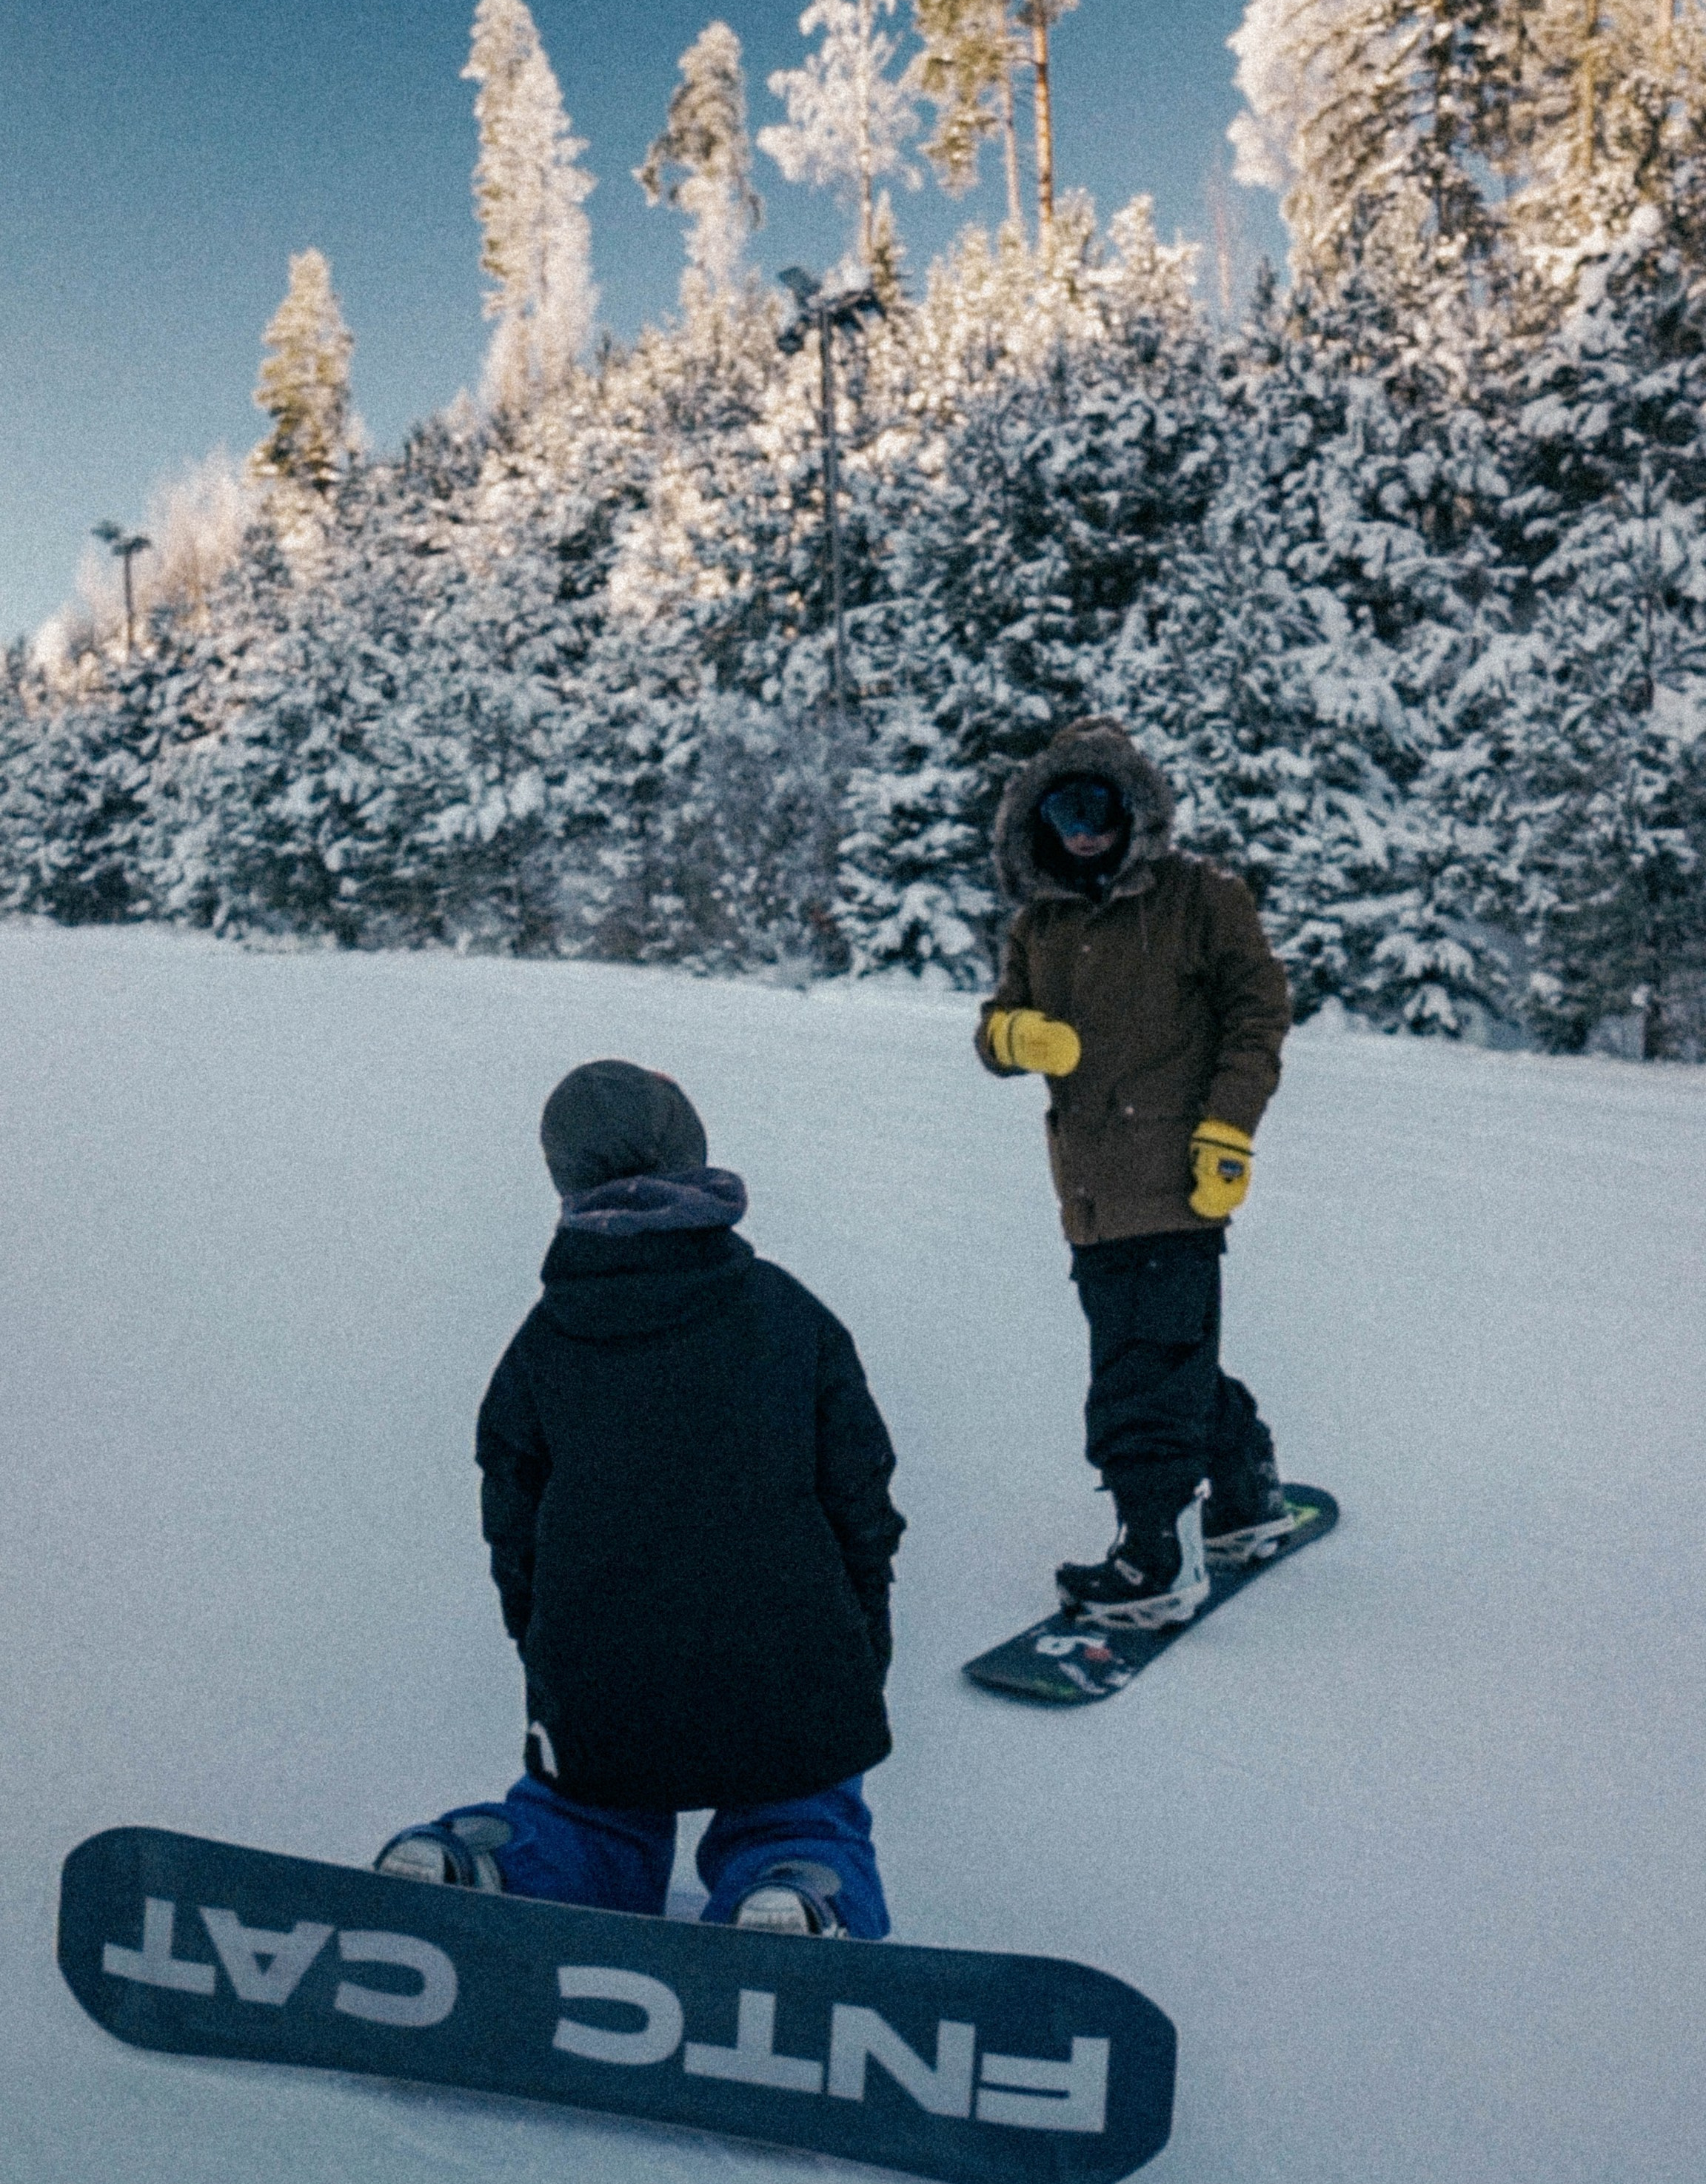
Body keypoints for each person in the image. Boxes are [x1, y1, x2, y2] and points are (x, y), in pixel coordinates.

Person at [376, 1059, 904, 1937]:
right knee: (800, 1810)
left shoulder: (545, 1341)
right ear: (695, 1159)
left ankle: (491, 1863)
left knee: (590, 1815)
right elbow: (862, 1494)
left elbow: (513, 1516)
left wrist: (541, 1644)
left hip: (601, 1657)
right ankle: (798, 1895)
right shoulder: (786, 1312)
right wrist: (860, 1640)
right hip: (792, 1651)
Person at [977, 718, 1293, 1629]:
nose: (1082, 825)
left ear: (1133, 806)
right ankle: (1245, 1490)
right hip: (1087, 1189)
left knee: (1137, 1374)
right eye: (1062, 807)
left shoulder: (1201, 899)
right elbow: (995, 1020)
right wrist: (1009, 1036)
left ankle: (1156, 1553)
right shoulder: (1042, 920)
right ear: (1038, 818)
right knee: (1167, 1352)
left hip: (1177, 1179)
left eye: (1098, 803)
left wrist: (1228, 1132)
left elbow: (1257, 1017)